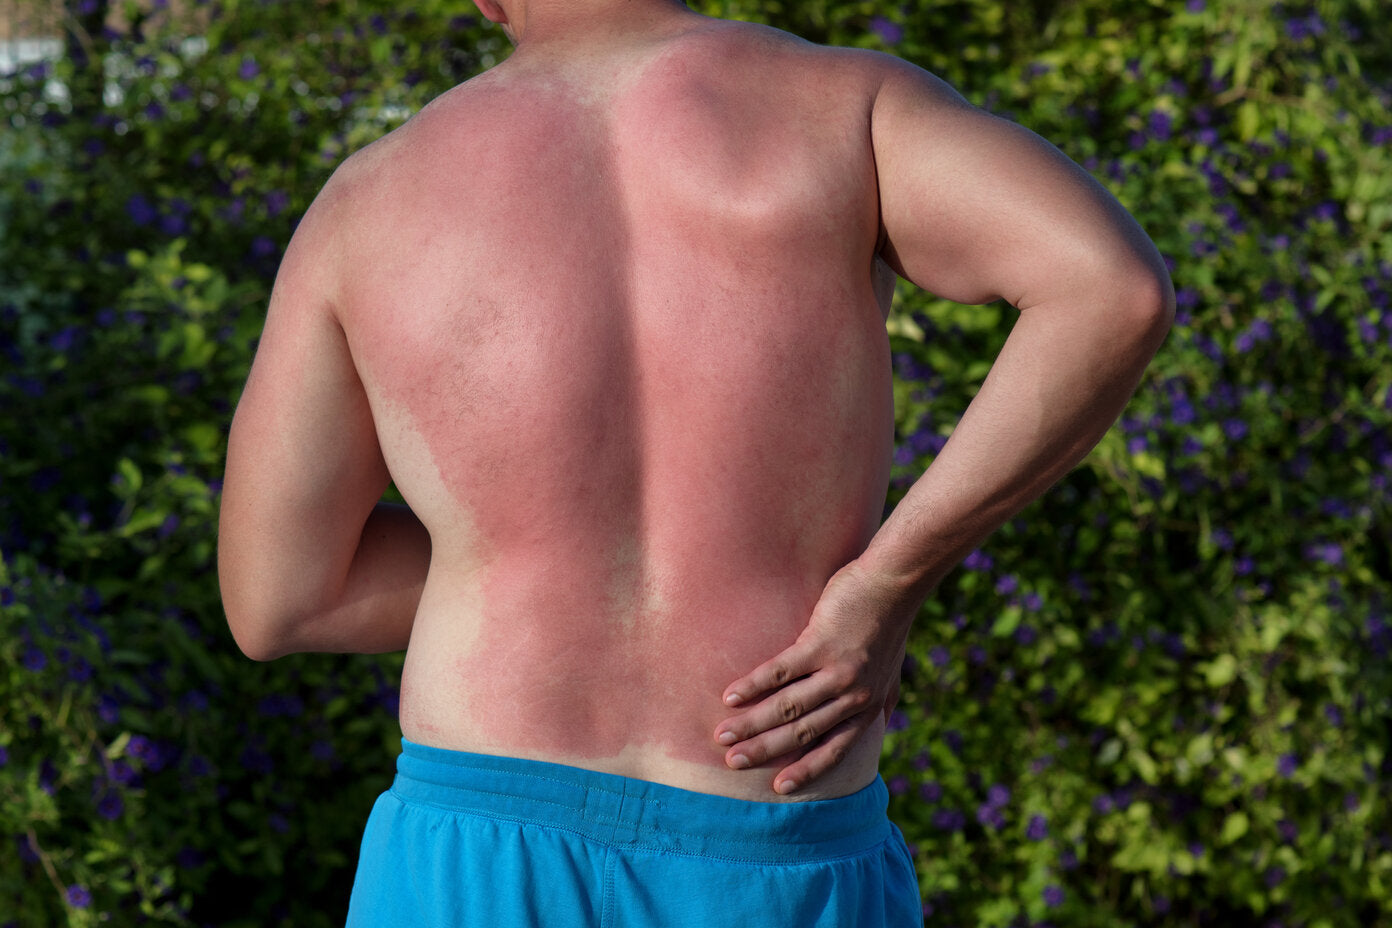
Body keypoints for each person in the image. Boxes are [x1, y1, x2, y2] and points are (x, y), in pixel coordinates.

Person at [217, 0, 1174, 924]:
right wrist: (887, 585)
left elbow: (280, 596)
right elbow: (1110, 288)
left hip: (476, 844)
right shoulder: (844, 114)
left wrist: (516, 555)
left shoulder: (369, 201)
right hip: (776, 837)